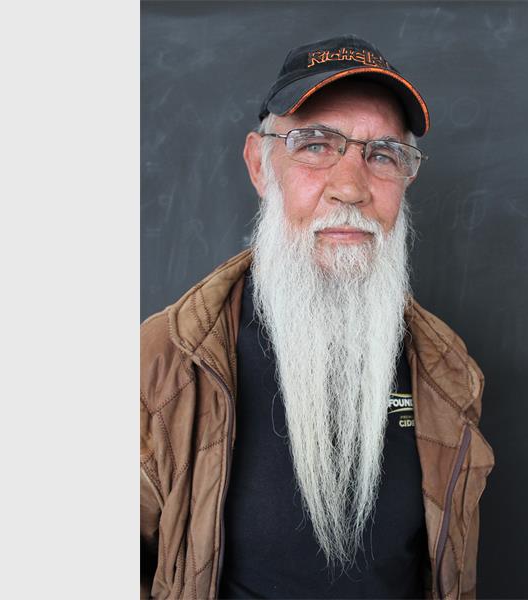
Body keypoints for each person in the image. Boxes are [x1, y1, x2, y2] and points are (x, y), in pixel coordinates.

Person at [140, 34, 494, 600]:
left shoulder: (446, 371)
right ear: (260, 166)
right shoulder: (161, 368)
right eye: (315, 145)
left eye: (383, 154)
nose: (350, 187)